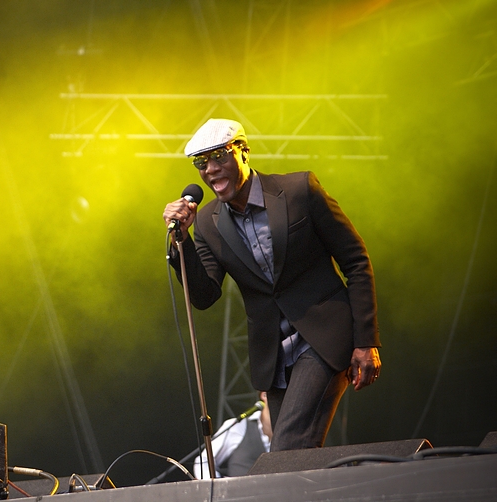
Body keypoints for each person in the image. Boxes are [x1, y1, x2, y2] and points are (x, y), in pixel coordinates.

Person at [163, 118, 381, 451]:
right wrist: (183, 241)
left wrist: (366, 341)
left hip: (323, 338)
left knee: (287, 449)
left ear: (243, 152)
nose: (210, 169)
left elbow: (356, 261)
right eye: (201, 163)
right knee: (293, 457)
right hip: (274, 357)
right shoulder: (207, 222)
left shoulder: (298, 189)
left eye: (219, 156)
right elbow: (205, 295)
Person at [194, 392, 272, 478]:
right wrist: (219, 485)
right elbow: (204, 461)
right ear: (264, 395)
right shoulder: (239, 426)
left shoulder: (285, 433)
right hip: (239, 487)